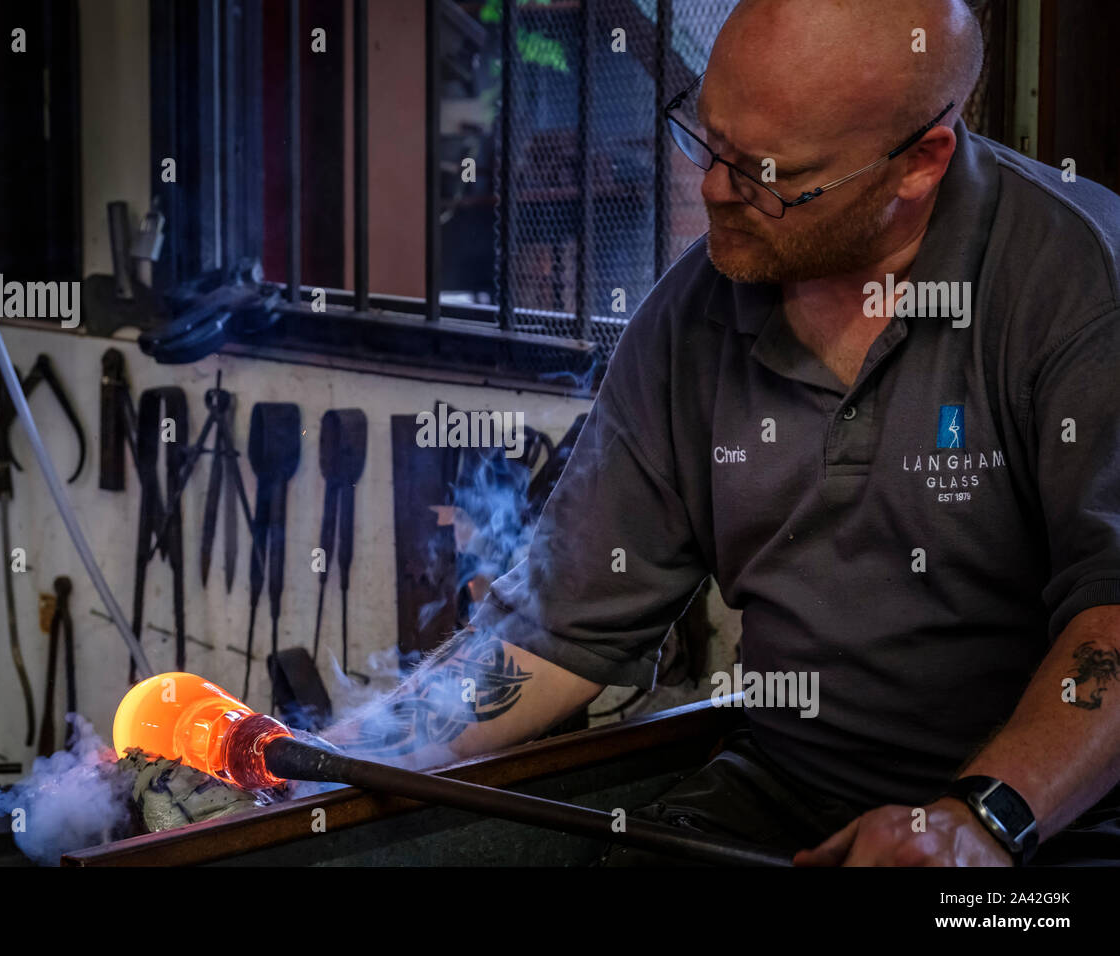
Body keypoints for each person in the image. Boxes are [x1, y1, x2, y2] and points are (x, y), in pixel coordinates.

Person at [323, 0, 1120, 866]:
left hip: (1051, 822)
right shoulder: (690, 319)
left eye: (770, 173)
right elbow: (555, 631)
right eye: (709, 142)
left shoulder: (1077, 289)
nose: (711, 189)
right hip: (784, 793)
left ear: (919, 163)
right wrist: (321, 763)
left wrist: (980, 823)